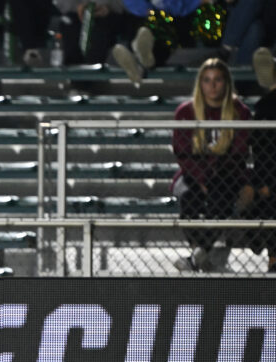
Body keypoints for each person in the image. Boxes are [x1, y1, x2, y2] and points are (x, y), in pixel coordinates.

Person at [171, 58, 252, 272]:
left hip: (227, 174)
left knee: (220, 197)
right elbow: (183, 153)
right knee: (188, 197)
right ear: (200, 83)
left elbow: (239, 153)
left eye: (217, 80)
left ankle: (196, 258)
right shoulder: (186, 112)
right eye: (207, 80)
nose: (212, 85)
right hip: (191, 173)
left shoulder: (240, 112)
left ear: (226, 82)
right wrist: (202, 179)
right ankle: (200, 253)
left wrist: (214, 179)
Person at [112, 0, 212, 85]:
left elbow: (181, 7)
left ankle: (138, 64)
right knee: (142, 29)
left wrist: (161, 9)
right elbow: (132, 4)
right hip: (143, 20)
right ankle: (142, 62)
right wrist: (148, 11)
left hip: (172, 22)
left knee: (161, 32)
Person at [246, 84, 276, 273]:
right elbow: (261, 152)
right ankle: (274, 259)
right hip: (269, 174)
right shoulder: (266, 107)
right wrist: (267, 184)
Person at [54, 0, 138, 65]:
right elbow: (60, 4)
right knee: (69, 24)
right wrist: (79, 7)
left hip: (109, 15)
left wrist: (106, 7)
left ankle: (93, 75)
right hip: (77, 14)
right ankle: (75, 74)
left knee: (98, 28)